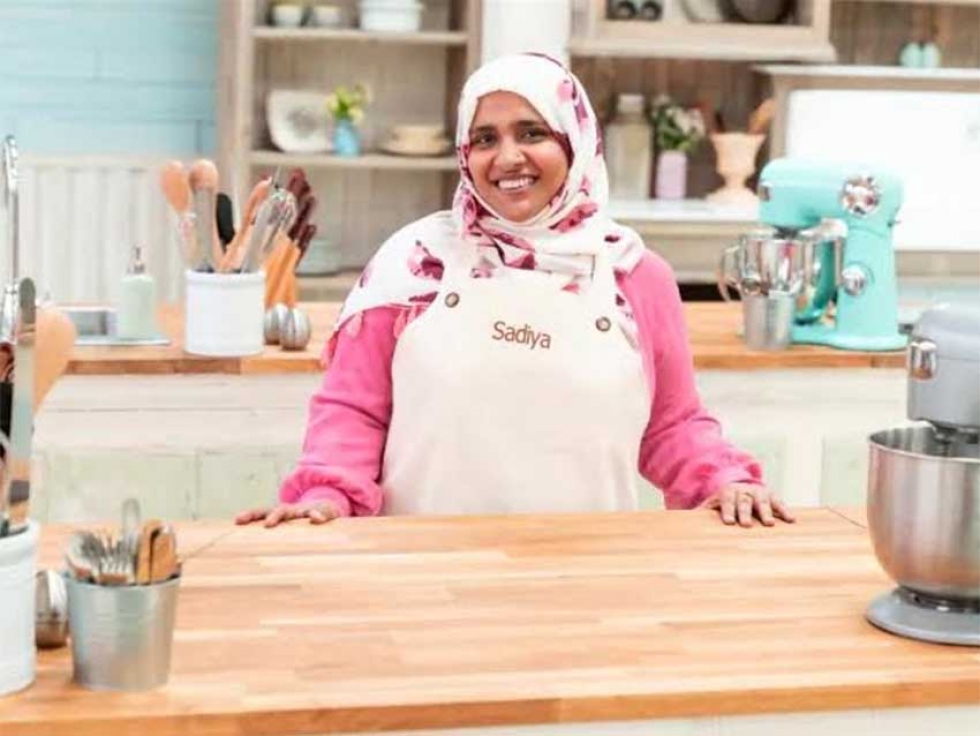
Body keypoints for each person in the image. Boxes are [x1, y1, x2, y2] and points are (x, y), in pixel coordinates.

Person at [236, 53, 794, 530]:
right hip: (419, 574)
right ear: (464, 154)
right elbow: (354, 411)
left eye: (532, 133)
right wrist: (326, 496)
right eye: (485, 139)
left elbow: (671, 425)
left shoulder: (634, 274)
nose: (507, 158)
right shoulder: (414, 264)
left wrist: (723, 480)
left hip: (591, 575)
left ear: (574, 141)